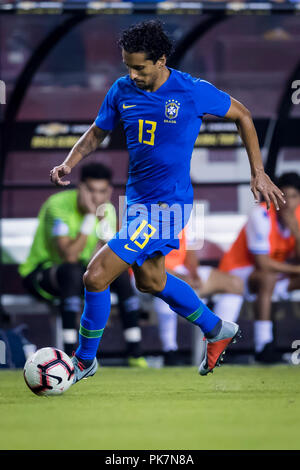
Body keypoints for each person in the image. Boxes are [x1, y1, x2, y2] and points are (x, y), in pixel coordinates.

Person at [49, 20, 285, 383]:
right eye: (127, 65)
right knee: (151, 281)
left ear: (160, 60)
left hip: (168, 208)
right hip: (139, 205)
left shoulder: (190, 91)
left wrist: (258, 171)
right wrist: (69, 161)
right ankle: (216, 328)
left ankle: (84, 361)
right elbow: (98, 131)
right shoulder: (121, 89)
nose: (132, 74)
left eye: (140, 67)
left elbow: (243, 115)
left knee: (95, 276)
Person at [19, 162, 147, 365]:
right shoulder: (57, 205)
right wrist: (90, 216)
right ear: (81, 187)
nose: (97, 198)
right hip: (41, 274)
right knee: (70, 271)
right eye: (92, 191)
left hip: (79, 275)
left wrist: (103, 222)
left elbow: (107, 257)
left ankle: (135, 353)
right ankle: (69, 355)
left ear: (110, 191)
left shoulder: (108, 209)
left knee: (121, 274)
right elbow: (69, 255)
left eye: (103, 191)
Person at [214, 172, 300, 363]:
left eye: (294, 196)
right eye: (283, 195)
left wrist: (296, 231)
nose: (288, 202)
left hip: (276, 275)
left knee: (270, 278)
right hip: (239, 272)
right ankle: (263, 345)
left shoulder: (298, 216)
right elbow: (263, 264)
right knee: (267, 278)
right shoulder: (261, 214)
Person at [153, 228, 243, 365]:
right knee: (165, 290)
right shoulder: (144, 213)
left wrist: (194, 274)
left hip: (180, 271)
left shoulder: (180, 212)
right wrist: (181, 277)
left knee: (235, 285)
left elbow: (190, 250)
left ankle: (218, 344)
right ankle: (169, 351)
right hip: (146, 276)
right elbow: (147, 263)